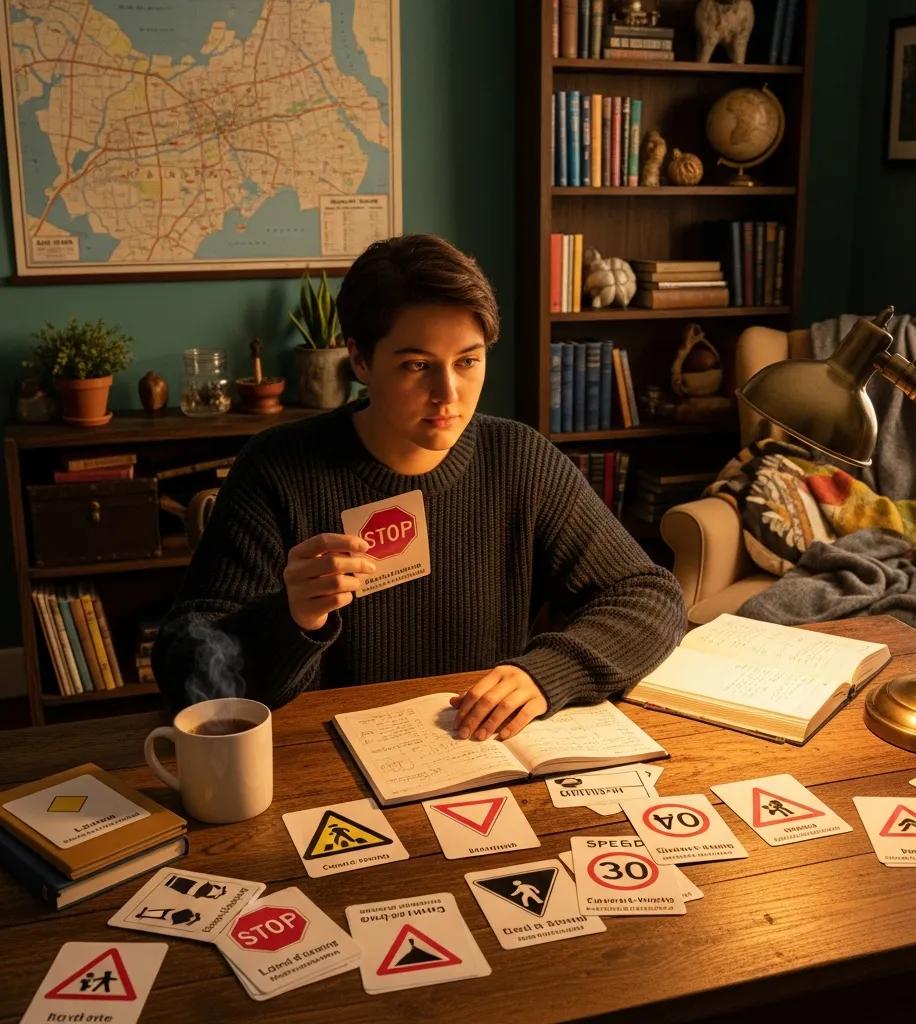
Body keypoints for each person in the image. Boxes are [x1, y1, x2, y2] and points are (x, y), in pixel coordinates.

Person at [153, 234, 685, 741]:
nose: (447, 394)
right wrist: (291, 617)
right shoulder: (276, 469)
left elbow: (650, 597)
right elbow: (182, 670)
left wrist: (549, 673)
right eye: (416, 365)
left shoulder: (518, 458)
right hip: (319, 761)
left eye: (468, 362)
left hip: (476, 750)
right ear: (359, 359)